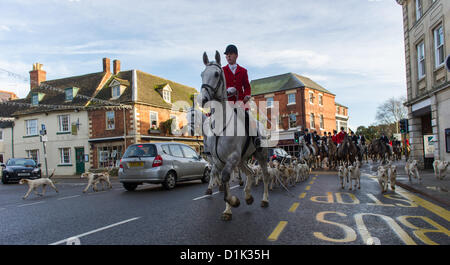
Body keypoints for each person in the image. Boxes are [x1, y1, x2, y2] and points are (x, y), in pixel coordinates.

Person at [222, 44, 261, 150]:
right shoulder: (222, 71)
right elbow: (220, 87)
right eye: (227, 55)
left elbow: (247, 87)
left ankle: (256, 139)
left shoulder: (243, 71)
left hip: (240, 102)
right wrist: (226, 91)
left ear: (236, 56)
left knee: (249, 119)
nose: (228, 57)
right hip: (227, 103)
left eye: (230, 54)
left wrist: (247, 95)